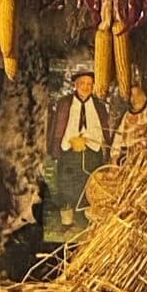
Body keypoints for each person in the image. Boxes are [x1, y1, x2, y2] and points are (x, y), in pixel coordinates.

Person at [45, 64, 113, 241]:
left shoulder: (98, 106)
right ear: (75, 84)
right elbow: (56, 128)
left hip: (91, 151)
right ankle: (68, 221)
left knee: (89, 184)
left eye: (89, 84)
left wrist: (90, 139)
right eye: (82, 83)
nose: (86, 87)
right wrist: (67, 142)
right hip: (70, 152)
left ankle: (89, 221)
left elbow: (103, 129)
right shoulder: (65, 104)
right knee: (68, 184)